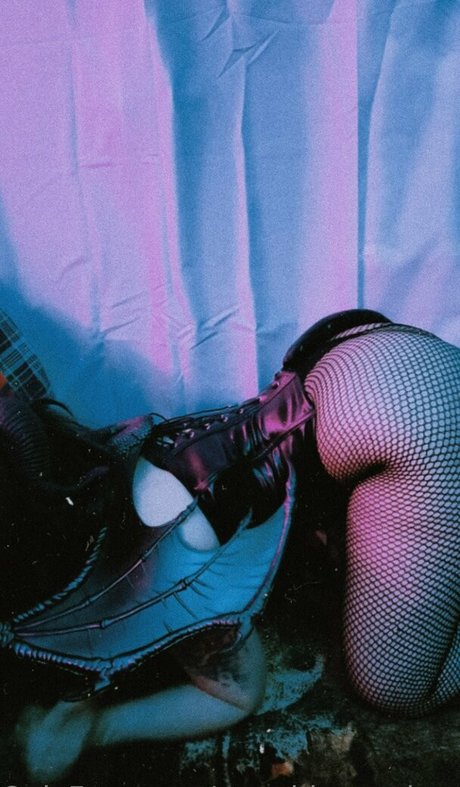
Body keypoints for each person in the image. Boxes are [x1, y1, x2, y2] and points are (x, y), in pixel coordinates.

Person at [1, 308, 458, 780]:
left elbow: (236, 695)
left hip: (409, 422)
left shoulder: (118, 599)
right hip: (349, 360)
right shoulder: (73, 467)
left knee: (395, 687)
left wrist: (93, 727)